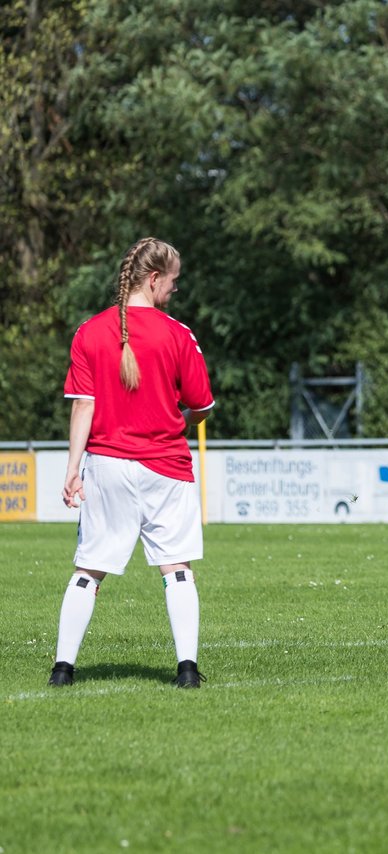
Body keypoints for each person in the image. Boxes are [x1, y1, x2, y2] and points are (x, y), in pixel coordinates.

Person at [48, 237, 215, 688]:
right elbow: (201, 406)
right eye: (173, 283)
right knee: (176, 568)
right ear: (154, 279)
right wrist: (179, 412)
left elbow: (83, 406)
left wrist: (71, 470)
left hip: (106, 467)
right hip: (167, 467)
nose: (175, 292)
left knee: (88, 572)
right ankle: (187, 672)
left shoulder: (88, 332)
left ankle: (62, 670)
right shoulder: (179, 335)